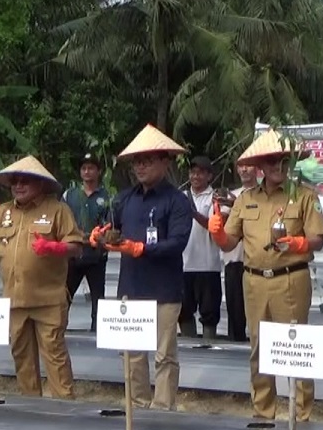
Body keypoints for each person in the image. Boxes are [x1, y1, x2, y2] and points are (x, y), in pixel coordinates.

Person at [208, 129, 323, 422]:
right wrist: (217, 231)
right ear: (261, 166)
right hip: (254, 280)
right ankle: (263, 410)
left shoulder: (304, 196)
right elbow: (230, 243)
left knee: (296, 344)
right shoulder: (245, 199)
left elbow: (318, 239)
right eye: (272, 161)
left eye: (283, 160)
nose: (278, 166)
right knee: (259, 347)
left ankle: (301, 413)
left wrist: (302, 243)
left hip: (291, 277)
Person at [0, 155, 84, 399]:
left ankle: (65, 409)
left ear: (40, 183)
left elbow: (76, 245)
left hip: (48, 300)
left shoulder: (57, 209)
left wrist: (54, 248)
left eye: (25, 181)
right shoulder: (1, 212)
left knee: (54, 355)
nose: (19, 185)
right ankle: (30, 407)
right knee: (21, 356)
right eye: (14, 181)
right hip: (14, 301)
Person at [91, 125, 192, 410]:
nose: (141, 166)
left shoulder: (177, 201)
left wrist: (142, 248)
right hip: (131, 287)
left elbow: (177, 243)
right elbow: (113, 229)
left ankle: (162, 409)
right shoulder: (125, 198)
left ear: (165, 161)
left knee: (164, 356)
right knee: (132, 354)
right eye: (137, 161)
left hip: (164, 290)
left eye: (148, 160)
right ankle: (137, 404)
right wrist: (100, 235)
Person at [63, 152, 112, 333]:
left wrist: (100, 237)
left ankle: (97, 335)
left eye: (91, 168)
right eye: (84, 168)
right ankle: (58, 332)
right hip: (73, 255)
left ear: (98, 171)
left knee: (98, 299)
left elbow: (110, 224)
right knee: (64, 296)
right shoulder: (70, 195)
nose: (87, 172)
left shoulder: (107, 197)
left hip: (96, 255)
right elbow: (62, 221)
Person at [179, 155, 223, 340]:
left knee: (209, 313)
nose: (195, 176)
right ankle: (189, 351)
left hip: (207, 265)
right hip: (183, 264)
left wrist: (194, 213)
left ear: (209, 176)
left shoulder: (216, 197)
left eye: (200, 173)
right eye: (193, 172)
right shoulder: (180, 196)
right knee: (183, 310)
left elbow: (214, 226)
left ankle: (208, 349)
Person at [221, 162, 257, 343]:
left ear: (257, 168)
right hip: (234, 261)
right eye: (240, 166)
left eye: (248, 166)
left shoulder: (263, 196)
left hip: (258, 264)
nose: (244, 169)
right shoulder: (231, 195)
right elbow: (225, 227)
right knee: (236, 313)